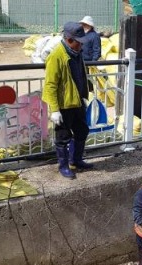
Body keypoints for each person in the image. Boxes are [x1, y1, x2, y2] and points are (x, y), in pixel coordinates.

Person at [42, 22, 93, 179]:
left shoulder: (76, 53)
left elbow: (80, 77)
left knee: (82, 131)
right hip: (63, 105)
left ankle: (76, 159)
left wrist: (84, 94)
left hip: (77, 101)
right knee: (63, 137)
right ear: (69, 39)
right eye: (78, 41)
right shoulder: (57, 56)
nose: (81, 44)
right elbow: (50, 85)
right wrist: (54, 110)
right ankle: (63, 166)